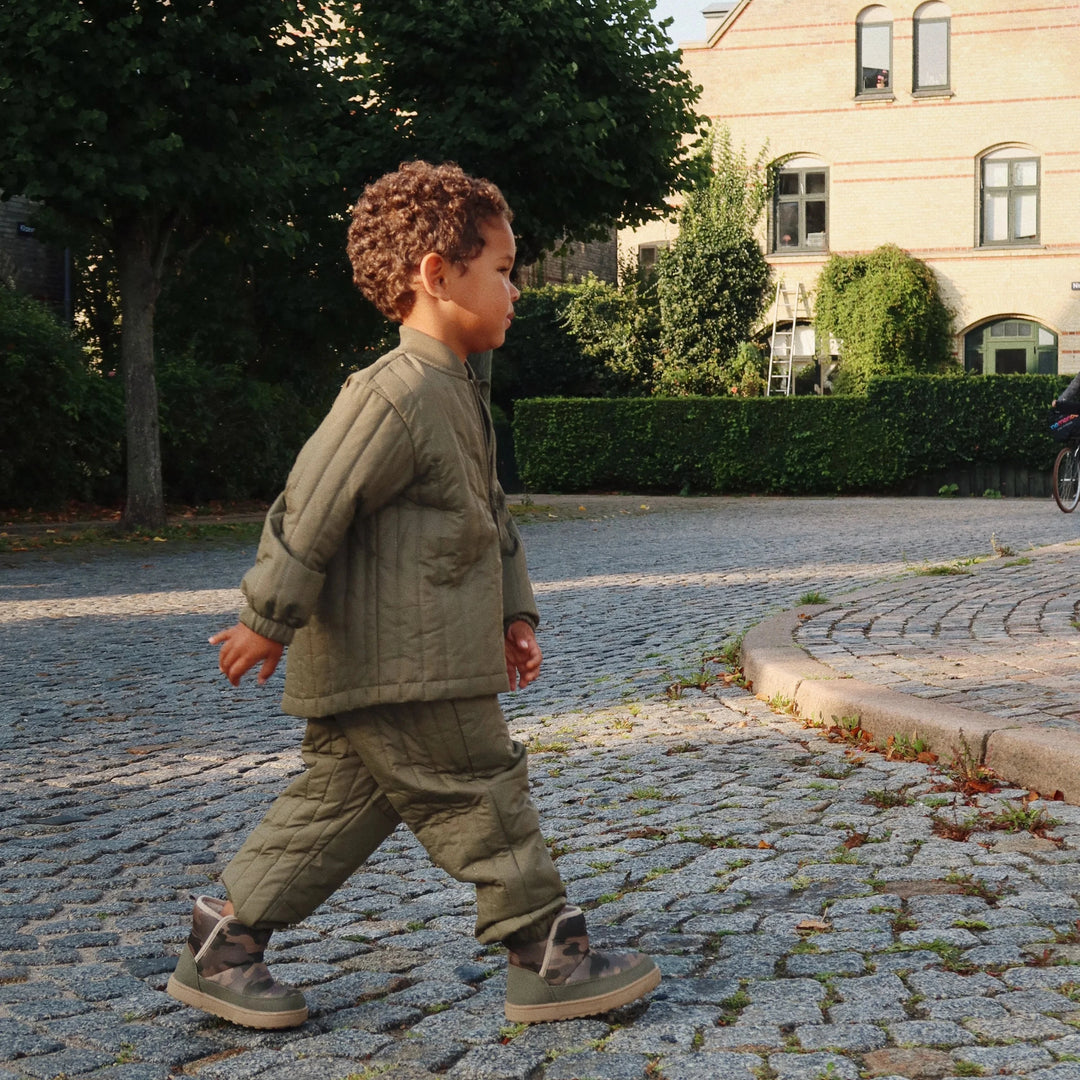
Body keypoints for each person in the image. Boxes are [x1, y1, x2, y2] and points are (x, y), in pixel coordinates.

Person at [165, 160, 660, 1030]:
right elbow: (310, 505)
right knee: (481, 791)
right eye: (503, 272)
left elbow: (487, 518)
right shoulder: (391, 394)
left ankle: (223, 950)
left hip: (410, 659)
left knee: (335, 811)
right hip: (408, 661)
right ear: (438, 276)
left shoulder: (457, 390)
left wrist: (513, 613)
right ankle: (546, 954)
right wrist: (265, 618)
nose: (516, 290)